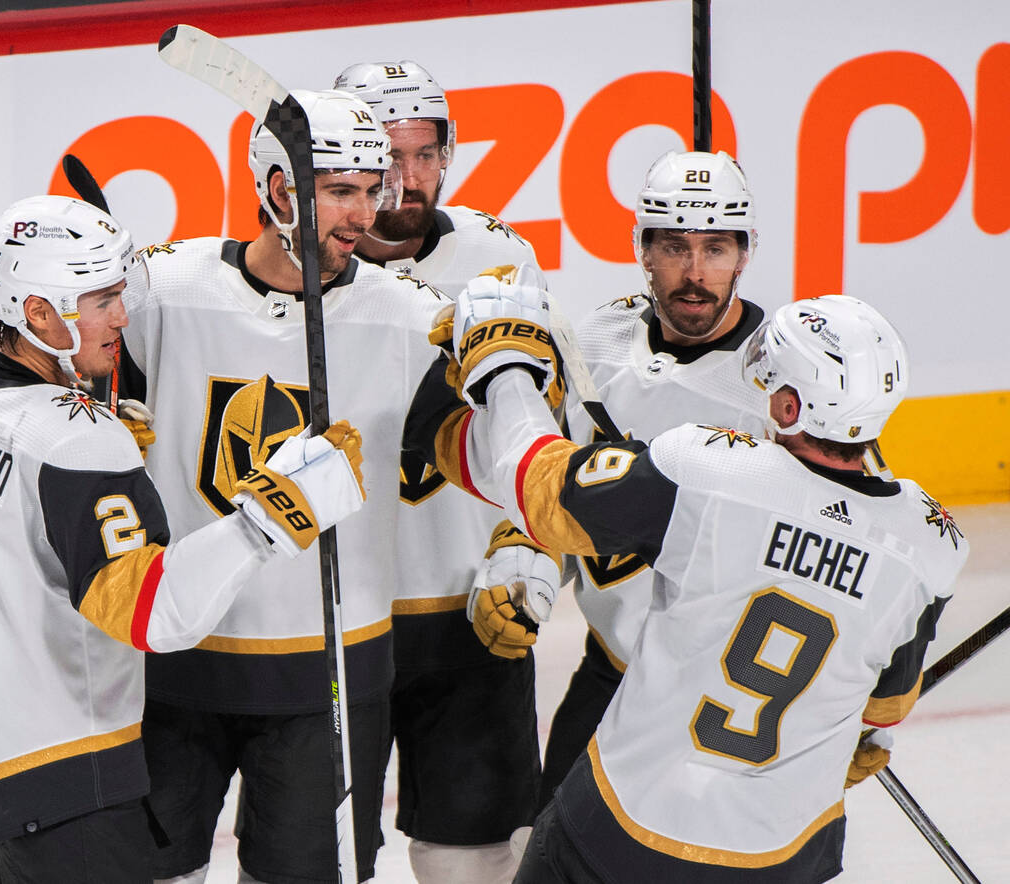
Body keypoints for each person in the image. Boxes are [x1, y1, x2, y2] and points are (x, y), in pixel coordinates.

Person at [0, 194, 365, 883]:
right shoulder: (76, 441)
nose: (122, 317)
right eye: (102, 301)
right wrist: (271, 515)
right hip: (57, 781)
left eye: (121, 294)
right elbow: (154, 613)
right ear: (38, 311)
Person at [408, 276, 969, 882]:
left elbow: (540, 490)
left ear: (790, 407)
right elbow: (884, 709)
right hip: (788, 853)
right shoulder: (931, 546)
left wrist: (505, 369)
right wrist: (858, 734)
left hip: (626, 828)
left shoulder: (707, 472)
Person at [117, 90, 446, 883]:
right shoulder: (163, 292)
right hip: (175, 664)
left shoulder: (411, 318)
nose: (364, 213)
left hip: (331, 676)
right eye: (340, 191)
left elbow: (475, 449)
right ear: (277, 190)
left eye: (372, 189)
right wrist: (100, 425)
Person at [332, 60, 552, 883]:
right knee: (315, 858)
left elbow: (535, 423)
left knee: (477, 856)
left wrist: (526, 547)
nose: (409, 175)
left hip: (465, 606)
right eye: (390, 155)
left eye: (425, 154)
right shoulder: (300, 267)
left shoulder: (499, 257)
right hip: (336, 613)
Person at [533, 149, 771, 808]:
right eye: (674, 247)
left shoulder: (784, 375)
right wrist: (526, 563)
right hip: (611, 674)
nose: (695, 273)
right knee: (543, 847)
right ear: (642, 248)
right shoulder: (598, 340)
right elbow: (554, 483)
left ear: (745, 252)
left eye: (716, 249)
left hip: (723, 697)